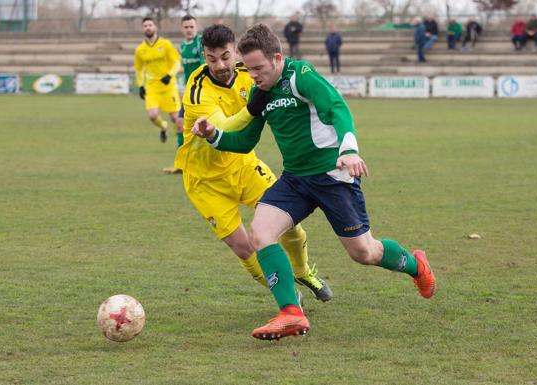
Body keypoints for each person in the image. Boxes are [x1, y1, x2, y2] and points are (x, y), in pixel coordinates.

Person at [192, 24, 436, 340]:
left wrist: (349, 150)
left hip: (332, 177)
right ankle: (291, 313)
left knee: (364, 253)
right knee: (260, 233)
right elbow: (245, 141)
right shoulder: (261, 92)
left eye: (258, 68)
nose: (252, 76)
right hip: (295, 180)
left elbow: (337, 108)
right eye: (249, 69)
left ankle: (416, 266)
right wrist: (214, 135)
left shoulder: (301, 75)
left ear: (277, 58)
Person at [176, 24, 333, 304]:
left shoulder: (250, 73)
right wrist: (251, 108)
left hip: (244, 166)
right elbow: (223, 128)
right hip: (205, 182)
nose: (220, 65)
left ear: (236, 51)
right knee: (244, 248)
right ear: (204, 56)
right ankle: (286, 294)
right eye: (211, 59)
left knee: (291, 225)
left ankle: (303, 272)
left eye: (225, 56)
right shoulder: (198, 89)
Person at [134, 16, 183, 172]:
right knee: (153, 116)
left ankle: (179, 143)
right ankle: (163, 127)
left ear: (155, 27)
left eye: (150, 25)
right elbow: (139, 69)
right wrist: (141, 85)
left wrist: (170, 74)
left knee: (176, 118)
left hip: (168, 87)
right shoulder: (140, 50)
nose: (148, 27)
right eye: (145, 25)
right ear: (143, 29)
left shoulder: (165, 44)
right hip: (152, 89)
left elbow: (176, 61)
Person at [164, 15, 206, 175]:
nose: (189, 30)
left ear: (196, 28)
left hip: (201, 92)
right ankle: (181, 164)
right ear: (182, 28)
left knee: (204, 127)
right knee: (180, 124)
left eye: (191, 27)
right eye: (186, 27)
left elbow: (204, 66)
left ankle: (205, 162)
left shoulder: (199, 42)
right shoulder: (182, 45)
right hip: (189, 91)